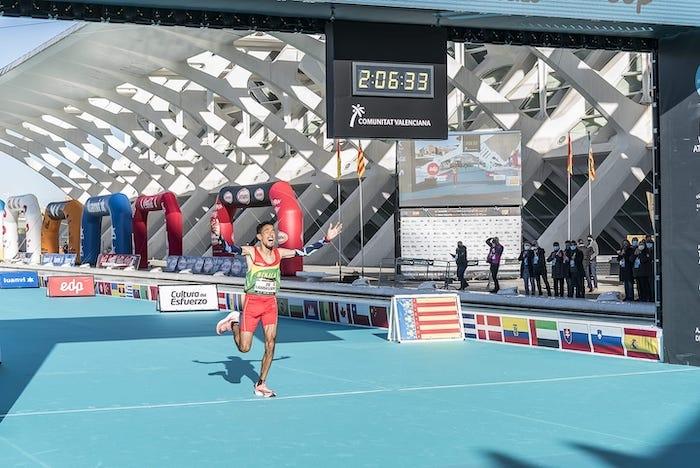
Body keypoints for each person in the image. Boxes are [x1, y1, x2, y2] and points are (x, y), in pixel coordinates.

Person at [214, 220, 342, 397]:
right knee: (244, 349)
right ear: (259, 237)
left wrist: (326, 239)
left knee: (271, 343)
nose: (271, 234)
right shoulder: (251, 252)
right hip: (252, 303)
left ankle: (261, 383)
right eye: (267, 231)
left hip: (270, 304)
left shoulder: (279, 253)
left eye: (272, 231)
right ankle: (234, 322)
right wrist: (220, 236)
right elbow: (231, 250)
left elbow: (304, 251)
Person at [645, 235, 655, 302]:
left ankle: (653, 297)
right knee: (647, 285)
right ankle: (649, 296)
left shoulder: (654, 251)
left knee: (652, 285)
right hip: (646, 270)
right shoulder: (645, 250)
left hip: (652, 270)